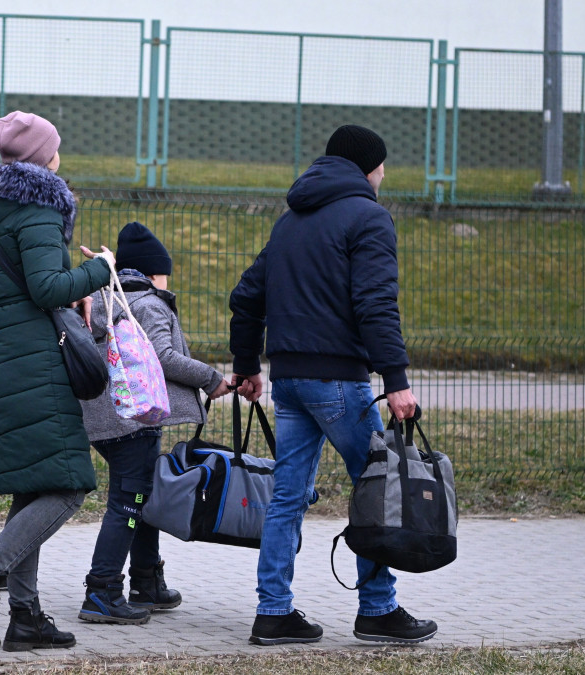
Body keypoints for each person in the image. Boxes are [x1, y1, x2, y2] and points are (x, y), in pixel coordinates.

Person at [228, 125, 437, 645]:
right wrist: (396, 380)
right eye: (383, 166)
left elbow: (245, 296)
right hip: (338, 381)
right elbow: (375, 304)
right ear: (369, 167)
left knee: (287, 497)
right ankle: (378, 609)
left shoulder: (289, 222)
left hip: (290, 380)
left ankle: (273, 612)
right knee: (379, 487)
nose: (385, 176)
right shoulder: (369, 217)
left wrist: (248, 363)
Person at [0, 111, 113, 652]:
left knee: (34, 482)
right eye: (57, 148)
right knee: (67, 485)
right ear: (43, 156)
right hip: (33, 360)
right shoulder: (37, 208)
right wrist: (101, 269)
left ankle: (26, 616)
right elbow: (46, 287)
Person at [77, 221, 236, 625]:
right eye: (164, 271)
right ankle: (102, 591)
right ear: (151, 272)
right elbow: (163, 357)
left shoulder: (102, 296)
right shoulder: (147, 302)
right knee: (127, 504)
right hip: (132, 421)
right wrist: (212, 378)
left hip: (103, 416)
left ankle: (147, 581)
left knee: (139, 496)